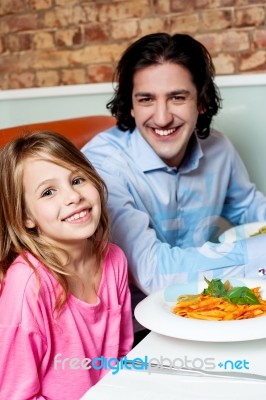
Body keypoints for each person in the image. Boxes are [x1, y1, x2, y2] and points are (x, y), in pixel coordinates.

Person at [82, 32, 266, 341]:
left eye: (177, 97)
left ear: (202, 101)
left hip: (210, 308)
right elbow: (155, 274)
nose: (163, 117)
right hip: (135, 331)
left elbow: (250, 208)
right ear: (130, 106)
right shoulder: (102, 165)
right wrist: (259, 252)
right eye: (146, 99)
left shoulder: (218, 148)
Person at [0, 131, 133, 399]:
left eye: (77, 179)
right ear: (25, 217)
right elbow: (13, 393)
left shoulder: (114, 259)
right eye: (48, 192)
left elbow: (122, 355)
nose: (73, 196)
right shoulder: (28, 283)